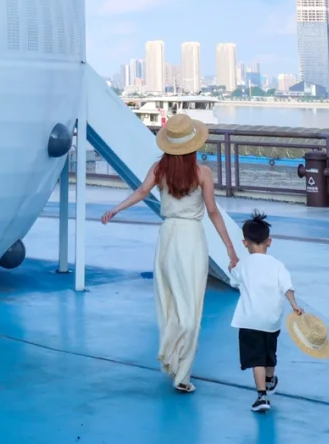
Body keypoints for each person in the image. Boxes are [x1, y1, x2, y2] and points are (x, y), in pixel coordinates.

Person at [101, 113, 238, 394]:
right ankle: (182, 373)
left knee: (168, 300)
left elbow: (141, 192)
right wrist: (229, 247)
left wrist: (116, 208)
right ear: (193, 144)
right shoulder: (202, 173)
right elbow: (212, 212)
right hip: (191, 239)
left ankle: (171, 357)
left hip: (167, 237)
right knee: (191, 305)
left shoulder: (159, 169)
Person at [231, 211, 303, 414]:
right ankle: (270, 380)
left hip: (249, 320)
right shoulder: (278, 265)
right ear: (269, 241)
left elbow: (234, 280)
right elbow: (287, 287)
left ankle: (262, 396)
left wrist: (232, 268)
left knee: (257, 360)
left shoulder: (243, 265)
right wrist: (294, 305)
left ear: (245, 243)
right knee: (270, 354)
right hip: (272, 320)